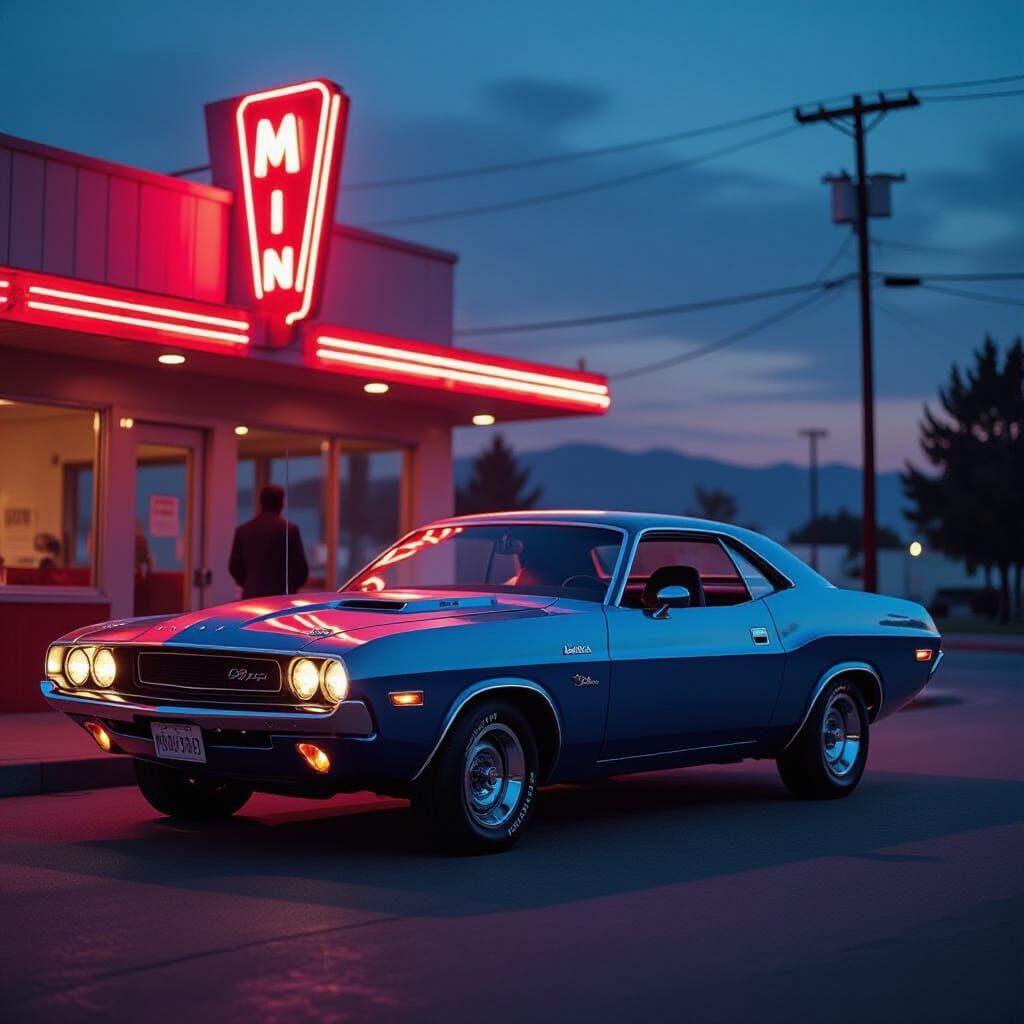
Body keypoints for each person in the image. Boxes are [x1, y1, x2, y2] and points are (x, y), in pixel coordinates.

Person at [229, 484, 309, 598]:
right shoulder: (289, 530)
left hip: (251, 596)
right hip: (281, 597)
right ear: (282, 503)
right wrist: (290, 586)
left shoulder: (243, 530)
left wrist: (249, 583)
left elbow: (234, 567)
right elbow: (301, 570)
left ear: (261, 503)